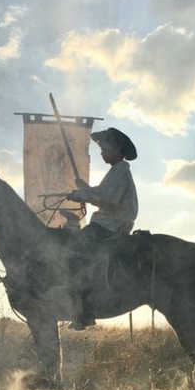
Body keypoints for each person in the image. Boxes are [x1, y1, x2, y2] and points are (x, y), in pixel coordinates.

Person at [67, 127, 139, 329]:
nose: (101, 153)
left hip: (108, 226)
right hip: (108, 223)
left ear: (117, 150)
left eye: (105, 148)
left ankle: (83, 308)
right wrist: (85, 189)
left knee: (72, 253)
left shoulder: (121, 171)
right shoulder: (117, 171)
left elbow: (107, 199)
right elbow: (102, 194)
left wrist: (82, 194)